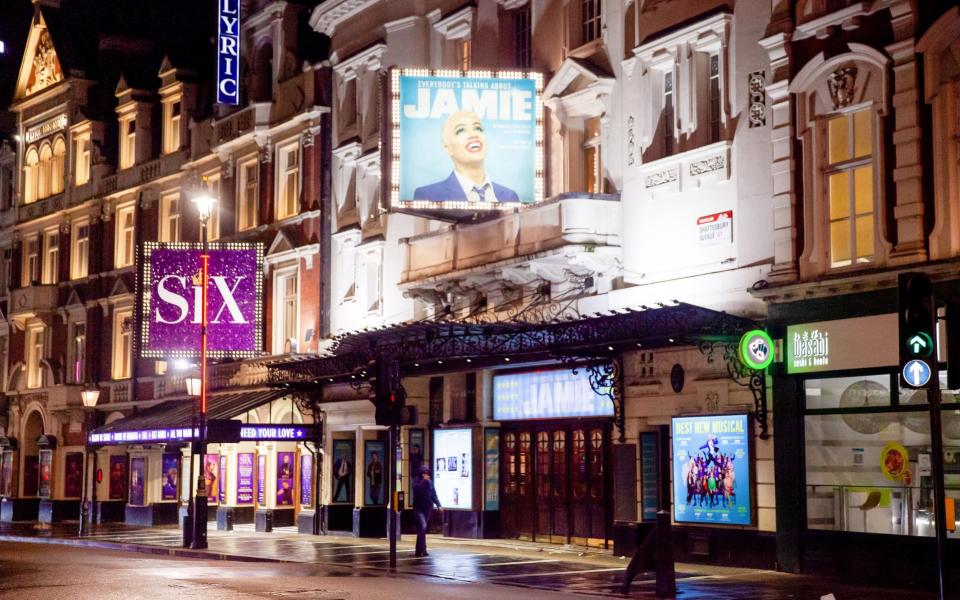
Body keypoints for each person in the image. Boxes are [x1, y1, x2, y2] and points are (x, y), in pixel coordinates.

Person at [413, 111, 520, 204]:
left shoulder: (510, 196)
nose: (473, 135)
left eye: (478, 128)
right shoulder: (428, 195)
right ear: (448, 148)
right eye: (461, 131)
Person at [412, 465, 442, 557]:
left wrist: (438, 504)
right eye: (424, 473)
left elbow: (433, 494)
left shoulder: (429, 482)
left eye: (427, 473)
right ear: (421, 473)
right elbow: (417, 491)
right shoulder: (416, 481)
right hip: (418, 508)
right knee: (423, 526)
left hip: (427, 507)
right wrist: (424, 481)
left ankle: (419, 550)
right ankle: (423, 549)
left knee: (422, 529)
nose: (426, 475)